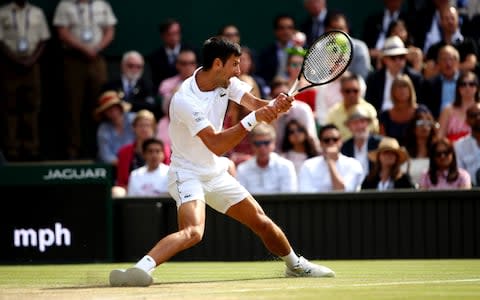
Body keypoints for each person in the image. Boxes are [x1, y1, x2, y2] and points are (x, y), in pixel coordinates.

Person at [109, 36, 335, 287]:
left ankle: (296, 265)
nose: (239, 70)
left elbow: (257, 106)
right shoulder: (185, 99)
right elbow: (217, 144)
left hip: (214, 172)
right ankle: (140, 269)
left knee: (260, 220)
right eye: (235, 64)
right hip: (186, 173)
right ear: (218, 64)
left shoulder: (227, 81)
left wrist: (276, 105)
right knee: (193, 232)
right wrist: (255, 118)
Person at [53, 0, 117, 160]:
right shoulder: (65, 5)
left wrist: (96, 48)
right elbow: (62, 32)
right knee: (72, 105)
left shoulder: (101, 5)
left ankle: (96, 148)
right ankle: (73, 150)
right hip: (74, 59)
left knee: (100, 104)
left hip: (97, 59)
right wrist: (84, 48)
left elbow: (109, 30)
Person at [0, 0, 50, 161]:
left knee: (32, 107)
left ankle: (31, 149)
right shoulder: (3, 12)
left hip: (32, 65)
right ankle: (12, 149)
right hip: (10, 64)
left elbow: (43, 39)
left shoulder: (37, 12)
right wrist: (15, 59)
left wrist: (32, 59)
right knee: (10, 107)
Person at [365, 35, 424, 114]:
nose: (398, 61)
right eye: (393, 57)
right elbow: (369, 105)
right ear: (385, 59)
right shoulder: (374, 78)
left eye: (401, 56)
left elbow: (420, 105)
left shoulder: (415, 78)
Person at [298, 123, 364, 192]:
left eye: (335, 139)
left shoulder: (353, 164)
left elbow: (343, 192)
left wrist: (330, 162)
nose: (331, 142)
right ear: (320, 143)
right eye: (326, 140)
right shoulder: (308, 165)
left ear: (341, 141)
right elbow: (306, 193)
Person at [236, 122, 297, 194]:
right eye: (258, 143)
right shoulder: (242, 169)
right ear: (252, 145)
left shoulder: (286, 166)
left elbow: (289, 198)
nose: (262, 147)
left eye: (266, 143)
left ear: (274, 143)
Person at [102, 50, 159, 119]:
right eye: (130, 65)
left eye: (138, 66)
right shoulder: (111, 84)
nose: (134, 69)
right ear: (122, 65)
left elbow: (151, 105)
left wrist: (126, 103)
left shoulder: (147, 86)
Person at [326, 72, 379, 141]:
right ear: (341, 91)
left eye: (355, 91)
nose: (352, 94)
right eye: (347, 91)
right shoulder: (333, 112)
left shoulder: (369, 110)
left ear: (360, 91)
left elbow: (374, 133)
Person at [148, 19, 197, 90]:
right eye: (170, 34)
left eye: (177, 33)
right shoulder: (154, 58)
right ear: (163, 35)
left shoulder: (193, 52)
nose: (174, 37)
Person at [95, 90, 135, 166]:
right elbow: (105, 155)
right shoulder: (103, 128)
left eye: (114, 107)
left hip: (137, 164)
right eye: (108, 109)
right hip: (113, 167)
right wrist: (123, 165)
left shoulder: (134, 119)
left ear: (120, 107)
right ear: (104, 113)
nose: (112, 111)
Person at [438, 71, 479, 142]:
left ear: (477, 87)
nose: (467, 87)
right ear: (458, 88)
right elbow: (440, 137)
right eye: (463, 84)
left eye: (471, 84)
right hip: (453, 150)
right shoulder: (447, 110)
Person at [403, 105, 440, 186]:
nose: (424, 126)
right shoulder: (403, 152)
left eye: (428, 122)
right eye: (420, 122)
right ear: (413, 127)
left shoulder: (439, 152)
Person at [341, 106, 383, 175]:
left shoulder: (379, 143)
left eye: (362, 121)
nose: (359, 126)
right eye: (355, 123)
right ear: (349, 127)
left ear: (368, 123)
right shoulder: (345, 147)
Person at [379, 74, 418, 145]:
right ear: (393, 91)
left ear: (410, 89)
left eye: (405, 86)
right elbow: (383, 141)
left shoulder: (421, 112)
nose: (402, 90)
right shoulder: (385, 116)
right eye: (399, 87)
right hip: (393, 154)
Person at [454, 102, 480, 186]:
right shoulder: (459, 145)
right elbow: (459, 173)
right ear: (467, 121)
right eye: (473, 115)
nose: (478, 118)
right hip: (470, 193)